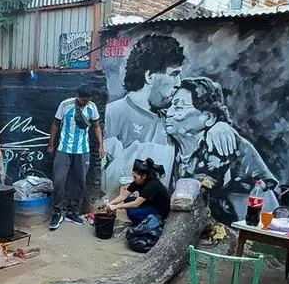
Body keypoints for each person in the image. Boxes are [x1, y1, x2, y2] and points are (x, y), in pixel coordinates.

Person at [102, 34, 240, 197]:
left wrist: (219, 126)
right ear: (150, 76)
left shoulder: (172, 118)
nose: (179, 82)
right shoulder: (111, 114)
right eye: (174, 74)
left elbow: (199, 130)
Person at [163, 77, 277, 223]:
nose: (169, 112)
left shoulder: (227, 147)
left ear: (209, 117)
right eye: (171, 105)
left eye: (179, 108)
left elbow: (259, 209)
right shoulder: (171, 142)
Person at [48, 85, 104, 230]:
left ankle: (73, 212)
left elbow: (96, 126)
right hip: (63, 149)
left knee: (80, 182)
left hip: (83, 150)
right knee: (59, 181)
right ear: (77, 96)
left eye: (87, 100)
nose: (85, 103)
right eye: (83, 100)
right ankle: (57, 212)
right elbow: (55, 124)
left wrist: (101, 145)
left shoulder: (92, 107)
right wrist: (51, 144)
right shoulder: (65, 105)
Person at [106, 158, 171, 225]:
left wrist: (116, 207)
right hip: (150, 203)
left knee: (133, 213)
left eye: (135, 177)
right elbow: (123, 196)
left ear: (143, 176)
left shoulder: (152, 185)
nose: (133, 179)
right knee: (128, 200)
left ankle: (151, 222)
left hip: (159, 211)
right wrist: (110, 204)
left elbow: (136, 204)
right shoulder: (138, 182)